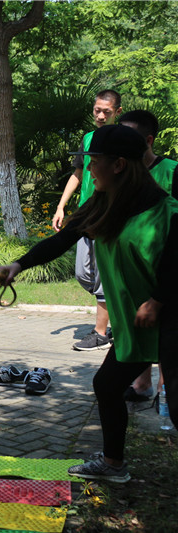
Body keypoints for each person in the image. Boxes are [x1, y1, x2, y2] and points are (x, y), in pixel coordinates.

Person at [0, 125, 178, 483]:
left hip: (170, 318)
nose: (88, 169)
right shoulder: (103, 204)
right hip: (135, 324)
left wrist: (158, 300)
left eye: (94, 161)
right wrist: (19, 264)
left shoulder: (166, 211)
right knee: (108, 386)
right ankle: (113, 466)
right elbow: (63, 238)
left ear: (119, 165)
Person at [52, 90, 123, 351]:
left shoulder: (124, 140)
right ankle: (117, 311)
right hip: (86, 214)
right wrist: (61, 206)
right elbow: (78, 173)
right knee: (84, 273)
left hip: (112, 213)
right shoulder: (88, 138)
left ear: (117, 111)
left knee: (104, 276)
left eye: (106, 111)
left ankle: (100, 333)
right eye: (97, 110)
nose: (101, 115)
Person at [116, 110, 178, 402]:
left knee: (166, 338)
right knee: (136, 332)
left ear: (148, 140)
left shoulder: (172, 172)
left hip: (166, 273)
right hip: (133, 275)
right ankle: (142, 385)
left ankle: (165, 396)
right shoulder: (120, 175)